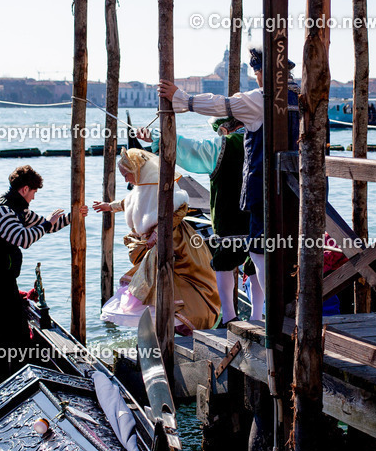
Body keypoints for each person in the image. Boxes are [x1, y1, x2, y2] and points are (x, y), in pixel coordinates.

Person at [157, 47, 299, 321]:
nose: (256, 78)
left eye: (257, 72)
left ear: (261, 72)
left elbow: (223, 105)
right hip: (300, 191)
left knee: (260, 254)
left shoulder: (263, 97)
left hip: (267, 191)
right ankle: (283, 315)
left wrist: (182, 99)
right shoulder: (303, 97)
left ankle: (279, 320)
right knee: (289, 252)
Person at [134, 116, 258, 325]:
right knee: (256, 263)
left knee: (224, 263)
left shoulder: (224, 145)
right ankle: (257, 316)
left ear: (225, 128)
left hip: (229, 219)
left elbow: (191, 150)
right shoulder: (261, 140)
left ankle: (228, 315)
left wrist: (157, 137)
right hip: (259, 216)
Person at [93, 147, 220, 331]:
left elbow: (180, 208)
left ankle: (176, 324)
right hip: (153, 244)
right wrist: (108, 206)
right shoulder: (141, 186)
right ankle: (161, 329)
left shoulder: (161, 184)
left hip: (174, 241)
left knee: (173, 278)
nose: (125, 179)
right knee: (153, 283)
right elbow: (129, 202)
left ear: (136, 170)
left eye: (126, 175)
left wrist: (158, 233)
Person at [0, 165, 87, 379]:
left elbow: (47, 226)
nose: (34, 197)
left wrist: (74, 217)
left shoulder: (19, 209)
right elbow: (24, 239)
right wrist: (47, 224)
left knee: (15, 334)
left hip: (7, 280)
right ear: (25, 189)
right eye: (34, 192)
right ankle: (0, 382)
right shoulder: (2, 210)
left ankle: (14, 378)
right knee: (10, 336)